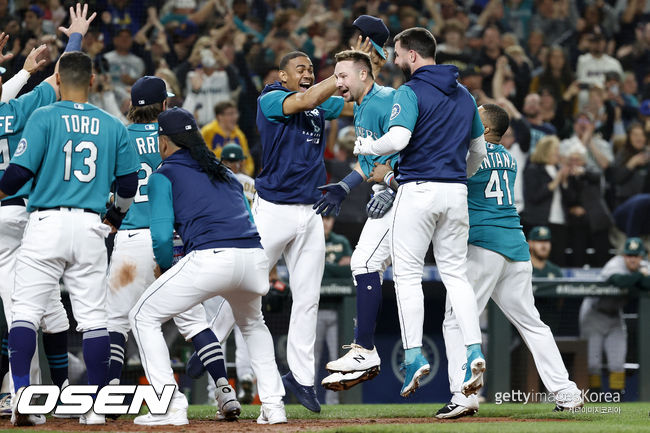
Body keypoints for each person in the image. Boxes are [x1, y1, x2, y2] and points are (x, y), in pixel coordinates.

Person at [0, 49, 139, 426]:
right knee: (94, 319)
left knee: (26, 313)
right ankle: (95, 406)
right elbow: (129, 183)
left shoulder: (43, 117)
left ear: (57, 80)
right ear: (92, 80)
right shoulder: (113, 125)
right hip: (91, 227)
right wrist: (115, 215)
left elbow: (15, 176)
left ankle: (25, 400)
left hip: (46, 223)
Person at [129, 107, 285, 425]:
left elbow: (160, 236)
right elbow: (247, 214)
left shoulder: (164, 174)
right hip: (254, 256)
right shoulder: (223, 172)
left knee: (142, 315)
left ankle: (170, 406)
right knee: (254, 325)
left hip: (212, 258)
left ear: (164, 141)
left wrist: (164, 266)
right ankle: (273, 406)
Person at [353, 27, 486, 398]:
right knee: (456, 275)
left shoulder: (409, 91)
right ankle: (474, 349)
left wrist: (367, 143)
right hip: (455, 192)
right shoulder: (465, 95)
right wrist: (458, 177)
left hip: (417, 190)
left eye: (397, 54)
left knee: (408, 276)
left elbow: (398, 140)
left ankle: (414, 355)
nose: (394, 60)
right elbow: (479, 153)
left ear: (412, 55)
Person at [433, 104, 582, 418]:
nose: (470, 115)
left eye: (478, 115)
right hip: (515, 246)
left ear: (486, 129)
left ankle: (464, 396)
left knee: (455, 319)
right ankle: (566, 391)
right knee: (532, 323)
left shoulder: (469, 152)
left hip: (483, 245)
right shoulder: (509, 157)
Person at [0, 2, 95, 421]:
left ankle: (42, 394)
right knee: (23, 309)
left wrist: (17, 71)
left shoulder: (14, 101)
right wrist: (74, 37)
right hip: (19, 216)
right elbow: (62, 77)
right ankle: (22, 396)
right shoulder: (20, 109)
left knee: (43, 310)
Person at [253, 48, 349, 412]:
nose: (307, 72)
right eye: (300, 68)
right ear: (283, 76)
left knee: (308, 298)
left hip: (310, 211)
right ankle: (211, 344)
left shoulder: (320, 104)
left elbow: (350, 102)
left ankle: (302, 378)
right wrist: (338, 78)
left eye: (311, 68)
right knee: (244, 285)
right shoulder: (271, 98)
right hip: (273, 210)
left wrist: (366, 69)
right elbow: (308, 98)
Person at [314, 17, 398, 393]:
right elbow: (367, 164)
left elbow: (407, 144)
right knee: (387, 271)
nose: (338, 82)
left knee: (367, 262)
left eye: (342, 76)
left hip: (410, 195)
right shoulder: (364, 105)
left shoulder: (386, 99)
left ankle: (366, 350)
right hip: (401, 192)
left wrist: (392, 186)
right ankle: (369, 350)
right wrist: (345, 187)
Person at [105, 76, 174, 387]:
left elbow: (109, 187)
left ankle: (110, 391)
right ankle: (221, 388)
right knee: (192, 320)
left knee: (117, 321)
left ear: (132, 105)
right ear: (163, 105)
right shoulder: (172, 135)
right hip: (170, 239)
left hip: (130, 240)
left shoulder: (119, 135)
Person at [580, 237, 650, 399]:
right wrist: (640, 277)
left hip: (615, 315)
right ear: (624, 255)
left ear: (641, 257)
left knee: (617, 363)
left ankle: (617, 401)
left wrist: (639, 277)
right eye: (629, 255)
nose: (632, 259)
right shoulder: (614, 264)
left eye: (636, 256)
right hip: (594, 313)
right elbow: (619, 281)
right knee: (593, 364)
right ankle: (594, 400)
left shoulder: (644, 265)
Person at [201, 101, 255, 176]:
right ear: (220, 116)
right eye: (230, 114)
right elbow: (203, 158)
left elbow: (248, 161)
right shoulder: (207, 132)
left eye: (236, 113)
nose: (235, 117)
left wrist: (247, 173)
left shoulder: (239, 135)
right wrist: (223, 151)